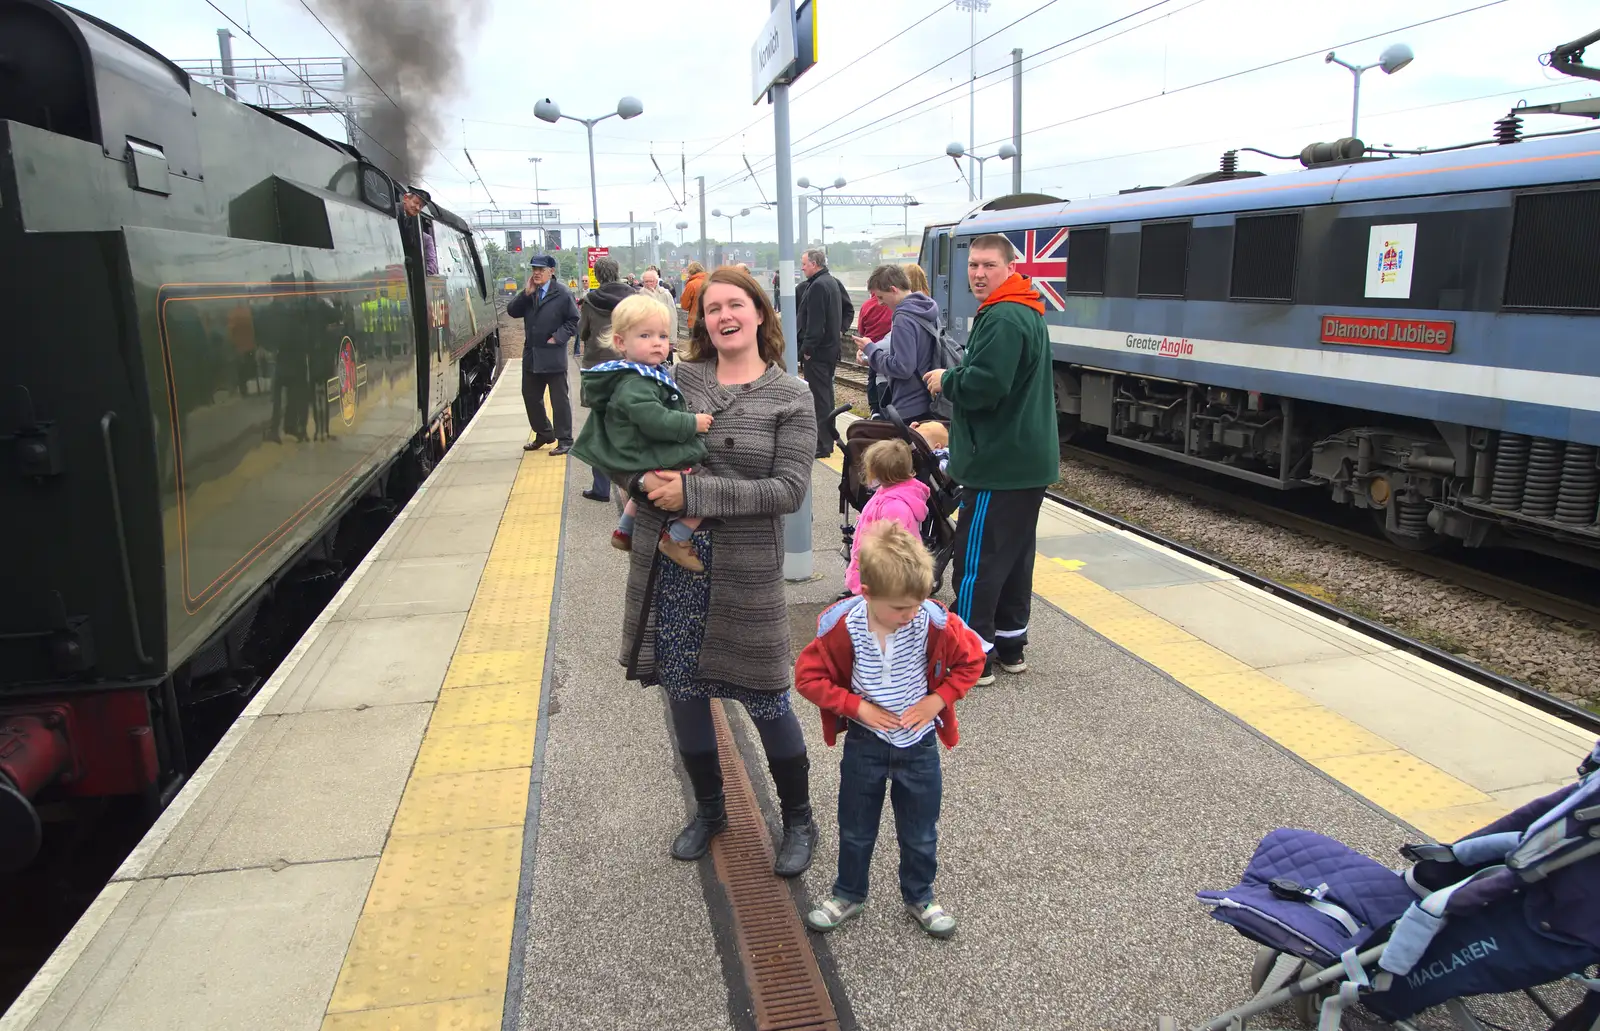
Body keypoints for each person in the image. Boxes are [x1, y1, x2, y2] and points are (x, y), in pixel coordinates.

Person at [618, 266, 818, 877]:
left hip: (744, 571)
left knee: (766, 697)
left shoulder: (792, 395)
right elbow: (627, 445)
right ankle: (710, 810)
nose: (724, 316)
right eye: (711, 308)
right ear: (700, 322)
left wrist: (695, 498)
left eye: (735, 304)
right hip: (674, 568)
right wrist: (645, 483)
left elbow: (788, 489)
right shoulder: (678, 378)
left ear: (760, 312)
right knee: (685, 691)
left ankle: (800, 817)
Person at [794, 520, 984, 939]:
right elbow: (807, 677)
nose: (910, 614)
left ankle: (920, 896)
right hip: (866, 744)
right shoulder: (843, 627)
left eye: (917, 603)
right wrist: (855, 706)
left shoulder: (933, 621)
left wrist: (938, 700)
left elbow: (973, 661)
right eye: (900, 608)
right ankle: (848, 894)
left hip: (919, 747)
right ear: (868, 595)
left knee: (920, 832)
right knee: (856, 827)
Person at [922, 234, 1058, 685]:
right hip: (1025, 461)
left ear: (1009, 266)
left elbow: (986, 384)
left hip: (998, 462)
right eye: (973, 265)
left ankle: (971, 659)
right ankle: (1011, 645)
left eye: (988, 265)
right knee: (1015, 557)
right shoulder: (1027, 309)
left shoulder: (1001, 316)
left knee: (977, 559)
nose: (978, 274)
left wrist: (948, 379)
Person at [571, 294, 711, 570]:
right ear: (621, 342)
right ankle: (678, 537)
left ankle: (625, 529)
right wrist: (691, 423)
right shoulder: (636, 382)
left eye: (662, 335)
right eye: (646, 335)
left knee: (652, 489)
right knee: (704, 484)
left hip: (637, 452)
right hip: (645, 452)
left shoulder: (639, 374)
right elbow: (655, 420)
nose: (657, 342)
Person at [574, 256, 636, 497]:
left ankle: (601, 488)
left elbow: (583, 332)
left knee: (599, 426)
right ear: (618, 271)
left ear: (597, 275)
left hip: (598, 367)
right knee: (629, 421)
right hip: (627, 363)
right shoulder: (634, 297)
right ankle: (632, 484)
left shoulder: (590, 300)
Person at [507, 254, 581, 454]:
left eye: (541, 269)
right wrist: (525, 293)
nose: (537, 273)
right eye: (534, 269)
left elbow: (574, 320)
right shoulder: (530, 293)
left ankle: (565, 439)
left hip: (553, 356)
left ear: (551, 271)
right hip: (532, 355)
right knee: (530, 397)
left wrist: (557, 337)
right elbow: (512, 311)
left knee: (559, 400)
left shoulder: (563, 293)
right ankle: (544, 433)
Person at [856, 264, 939, 424]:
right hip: (927, 399)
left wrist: (871, 350)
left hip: (909, 404)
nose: (880, 303)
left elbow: (903, 367)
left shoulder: (903, 318)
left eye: (880, 297)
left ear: (893, 290)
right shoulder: (926, 308)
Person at [844, 439, 928, 596]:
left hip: (885, 578)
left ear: (875, 472)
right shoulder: (888, 492)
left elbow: (892, 547)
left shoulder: (895, 506)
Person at [796, 247, 852, 458]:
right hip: (828, 351)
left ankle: (823, 444)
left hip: (818, 353)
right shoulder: (830, 282)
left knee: (820, 399)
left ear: (814, 263)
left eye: (804, 264)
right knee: (826, 397)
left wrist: (806, 351)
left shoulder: (819, 286)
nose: (802, 268)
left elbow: (815, 325)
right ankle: (828, 439)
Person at [855, 287, 892, 415]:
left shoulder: (866, 305)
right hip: (888, 348)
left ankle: (874, 410)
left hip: (870, 347)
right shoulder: (891, 305)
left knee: (873, 377)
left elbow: (861, 328)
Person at [640, 266, 678, 352]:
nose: (649, 284)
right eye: (646, 282)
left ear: (656, 281)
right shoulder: (639, 295)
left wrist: (672, 340)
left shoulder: (665, 294)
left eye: (651, 281)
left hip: (662, 335)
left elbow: (672, 318)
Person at [679, 261, 708, 333]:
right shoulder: (712, 281)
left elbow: (684, 305)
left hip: (695, 321)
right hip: (711, 321)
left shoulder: (691, 284)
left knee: (695, 344)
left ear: (691, 272)